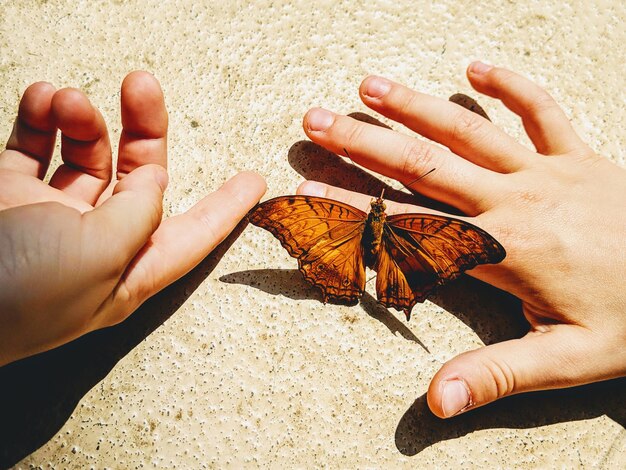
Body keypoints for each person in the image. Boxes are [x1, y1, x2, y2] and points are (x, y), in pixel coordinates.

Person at [1, 64, 624, 420]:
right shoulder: (422, 229)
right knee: (392, 262)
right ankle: (381, 276)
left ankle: (359, 273)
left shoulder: (329, 216)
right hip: (407, 247)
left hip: (355, 239)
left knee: (352, 249)